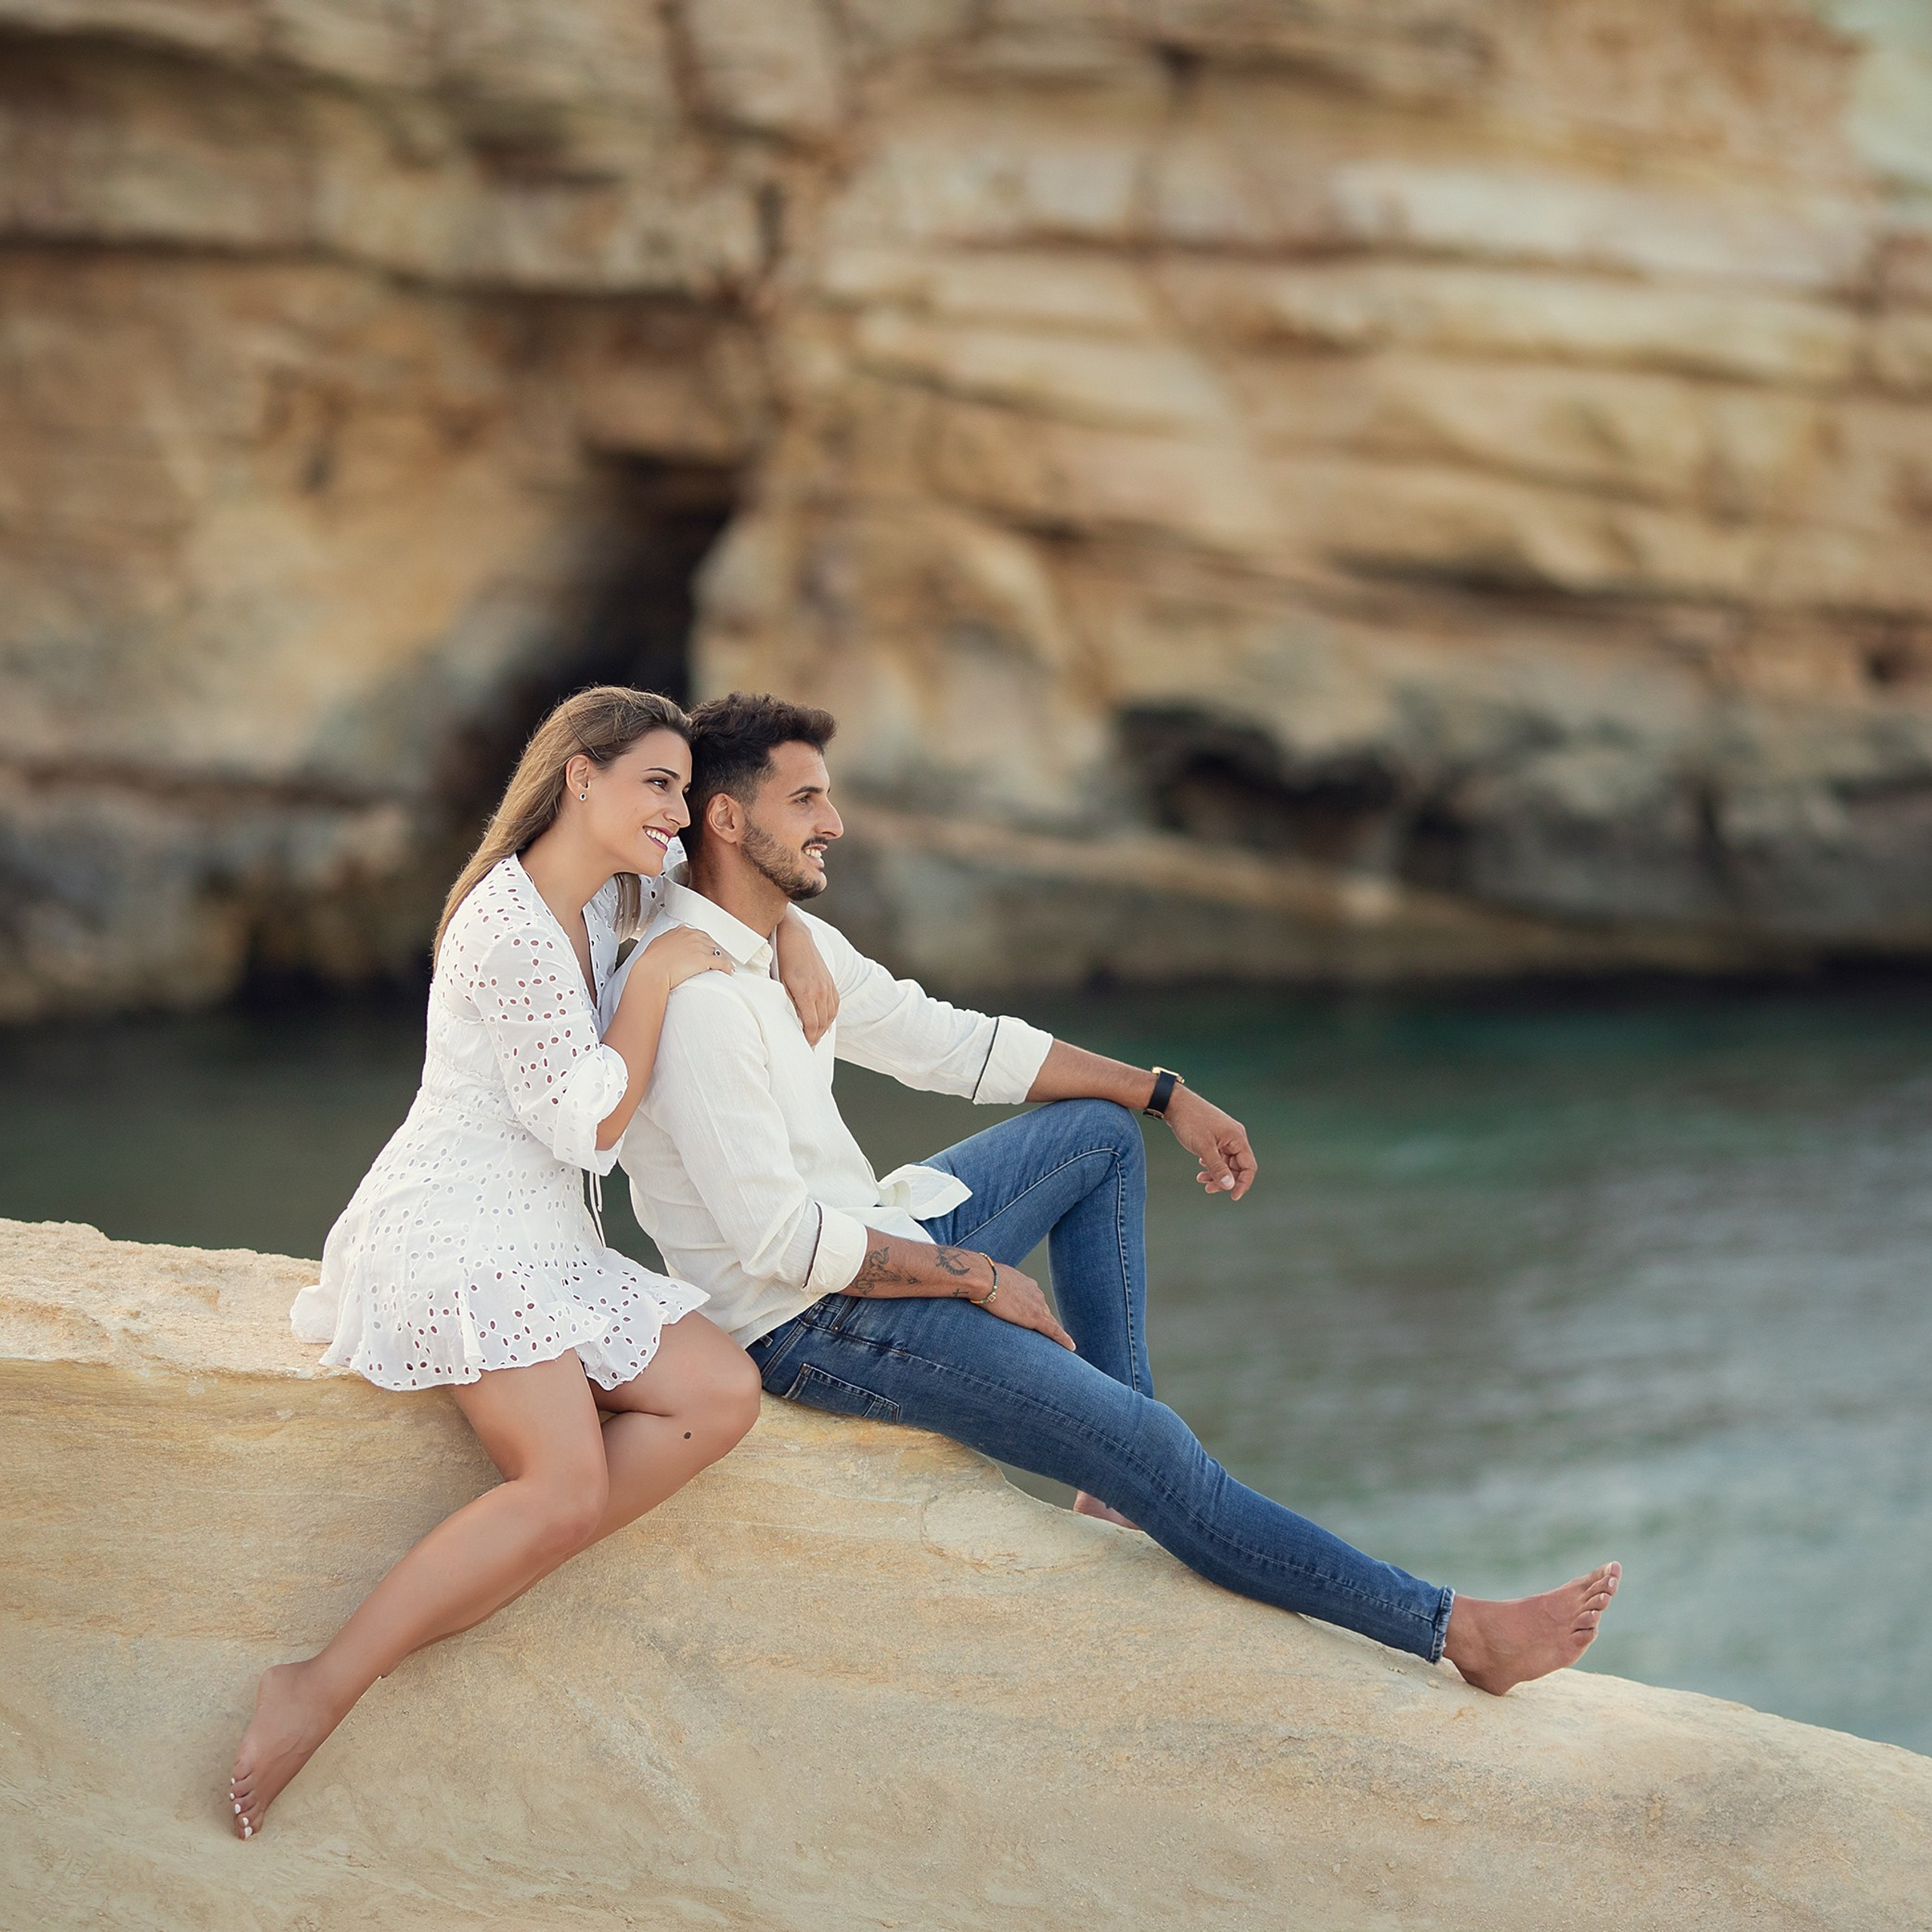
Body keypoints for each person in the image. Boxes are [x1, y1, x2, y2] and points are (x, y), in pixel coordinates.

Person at [613, 692, 1621, 1694]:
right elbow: (777, 1239)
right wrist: (971, 1277)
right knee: (1157, 1445)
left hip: (875, 1232)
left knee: (1096, 1135)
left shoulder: (781, 940)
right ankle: (1454, 1631)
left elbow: (954, 1042)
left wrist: (1162, 1092)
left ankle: (1116, 1474)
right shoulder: (698, 1004)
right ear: (731, 822)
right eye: (806, 801)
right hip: (811, 1318)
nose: (833, 822)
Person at [231, 687, 834, 1840]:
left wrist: (792, 931)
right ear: (580, 779)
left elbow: (727, 895)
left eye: (682, 791)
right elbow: (585, 1131)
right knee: (561, 1485)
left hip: (546, 1236)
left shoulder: (618, 895)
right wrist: (658, 985)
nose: (677, 809)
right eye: (657, 783)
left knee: (720, 1391)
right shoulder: (505, 927)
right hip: (455, 1228)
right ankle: (317, 1684)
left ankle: (513, 1556)